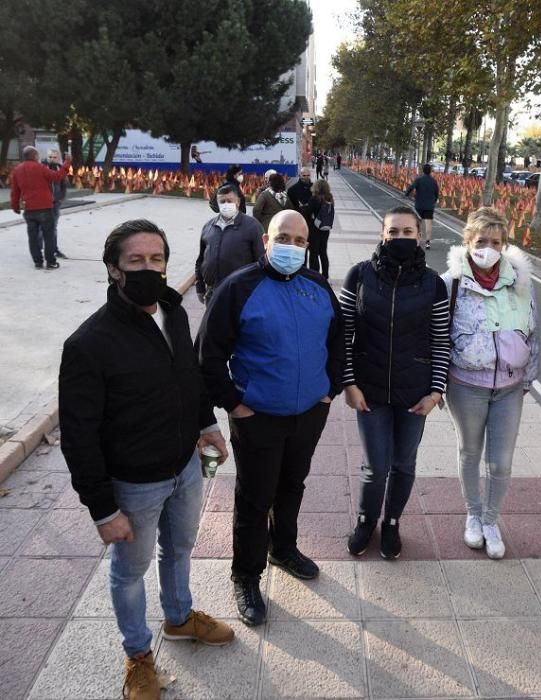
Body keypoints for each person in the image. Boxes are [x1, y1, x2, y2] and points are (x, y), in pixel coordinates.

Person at [59, 219, 234, 700]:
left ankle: (179, 618)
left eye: (156, 259)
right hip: (134, 484)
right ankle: (137, 653)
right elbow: (78, 437)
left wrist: (207, 426)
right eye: (136, 261)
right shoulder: (88, 344)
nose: (148, 269)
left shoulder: (174, 312)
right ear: (113, 269)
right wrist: (102, 508)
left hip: (183, 468)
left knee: (179, 549)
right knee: (129, 571)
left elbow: (189, 377)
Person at [198, 210, 344, 627]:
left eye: (300, 240)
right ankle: (245, 575)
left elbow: (338, 342)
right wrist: (233, 403)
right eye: (284, 237)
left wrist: (329, 391)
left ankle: (284, 548)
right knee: (254, 497)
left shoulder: (317, 286)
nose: (292, 246)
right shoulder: (238, 288)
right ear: (265, 240)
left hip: (308, 414)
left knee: (292, 486)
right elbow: (207, 354)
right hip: (256, 416)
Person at [341, 206, 450, 559]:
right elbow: (343, 334)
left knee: (403, 463)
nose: (399, 238)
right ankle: (365, 520)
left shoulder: (433, 283)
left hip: (414, 393)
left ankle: (391, 523)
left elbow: (440, 339)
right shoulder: (359, 276)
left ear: (419, 236)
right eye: (393, 232)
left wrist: (436, 391)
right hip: (368, 389)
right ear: (382, 235)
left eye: (407, 232)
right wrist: (349, 383)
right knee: (376, 465)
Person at [442, 207, 539, 560]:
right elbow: (436, 337)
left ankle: (490, 520)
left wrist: (527, 379)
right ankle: (472, 514)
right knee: (470, 452)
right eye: (480, 240)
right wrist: (436, 384)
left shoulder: (520, 283)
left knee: (500, 462)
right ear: (467, 242)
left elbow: (534, 332)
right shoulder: (449, 282)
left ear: (505, 244)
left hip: (509, 388)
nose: (488, 247)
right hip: (466, 385)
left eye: (495, 242)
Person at [195, 185, 265, 303]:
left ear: (238, 202)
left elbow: (262, 261)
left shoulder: (252, 226)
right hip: (213, 293)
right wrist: (200, 288)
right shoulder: (209, 227)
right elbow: (201, 260)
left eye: (229, 201)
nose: (226, 204)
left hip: (241, 294)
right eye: (222, 201)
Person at [10, 145, 71, 269]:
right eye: (37, 155)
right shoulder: (40, 168)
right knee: (48, 235)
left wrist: (15, 206)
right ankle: (50, 262)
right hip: (44, 207)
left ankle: (37, 261)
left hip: (29, 208)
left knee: (32, 237)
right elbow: (57, 176)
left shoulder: (17, 170)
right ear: (34, 156)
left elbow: (15, 191)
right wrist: (67, 163)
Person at [301, 178, 335, 277]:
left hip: (314, 229)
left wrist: (304, 207)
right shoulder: (330, 198)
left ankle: (314, 274)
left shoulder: (315, 198)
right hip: (325, 229)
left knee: (314, 253)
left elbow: (307, 212)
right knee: (323, 252)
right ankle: (325, 275)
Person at [405, 164, 440, 249]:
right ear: (430, 171)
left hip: (419, 205)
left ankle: (417, 241)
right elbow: (436, 193)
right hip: (429, 206)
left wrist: (406, 194)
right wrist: (434, 201)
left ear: (423, 171)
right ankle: (427, 242)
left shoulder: (418, 179)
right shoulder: (433, 181)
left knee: (418, 223)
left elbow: (411, 187)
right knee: (428, 224)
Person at [46, 148, 68, 259]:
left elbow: (63, 185)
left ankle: (54, 249)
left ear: (58, 158)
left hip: (55, 203)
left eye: (54, 157)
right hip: (44, 203)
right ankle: (41, 250)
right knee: (42, 228)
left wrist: (60, 198)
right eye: (50, 157)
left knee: (53, 227)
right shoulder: (43, 168)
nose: (52, 159)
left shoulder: (60, 168)